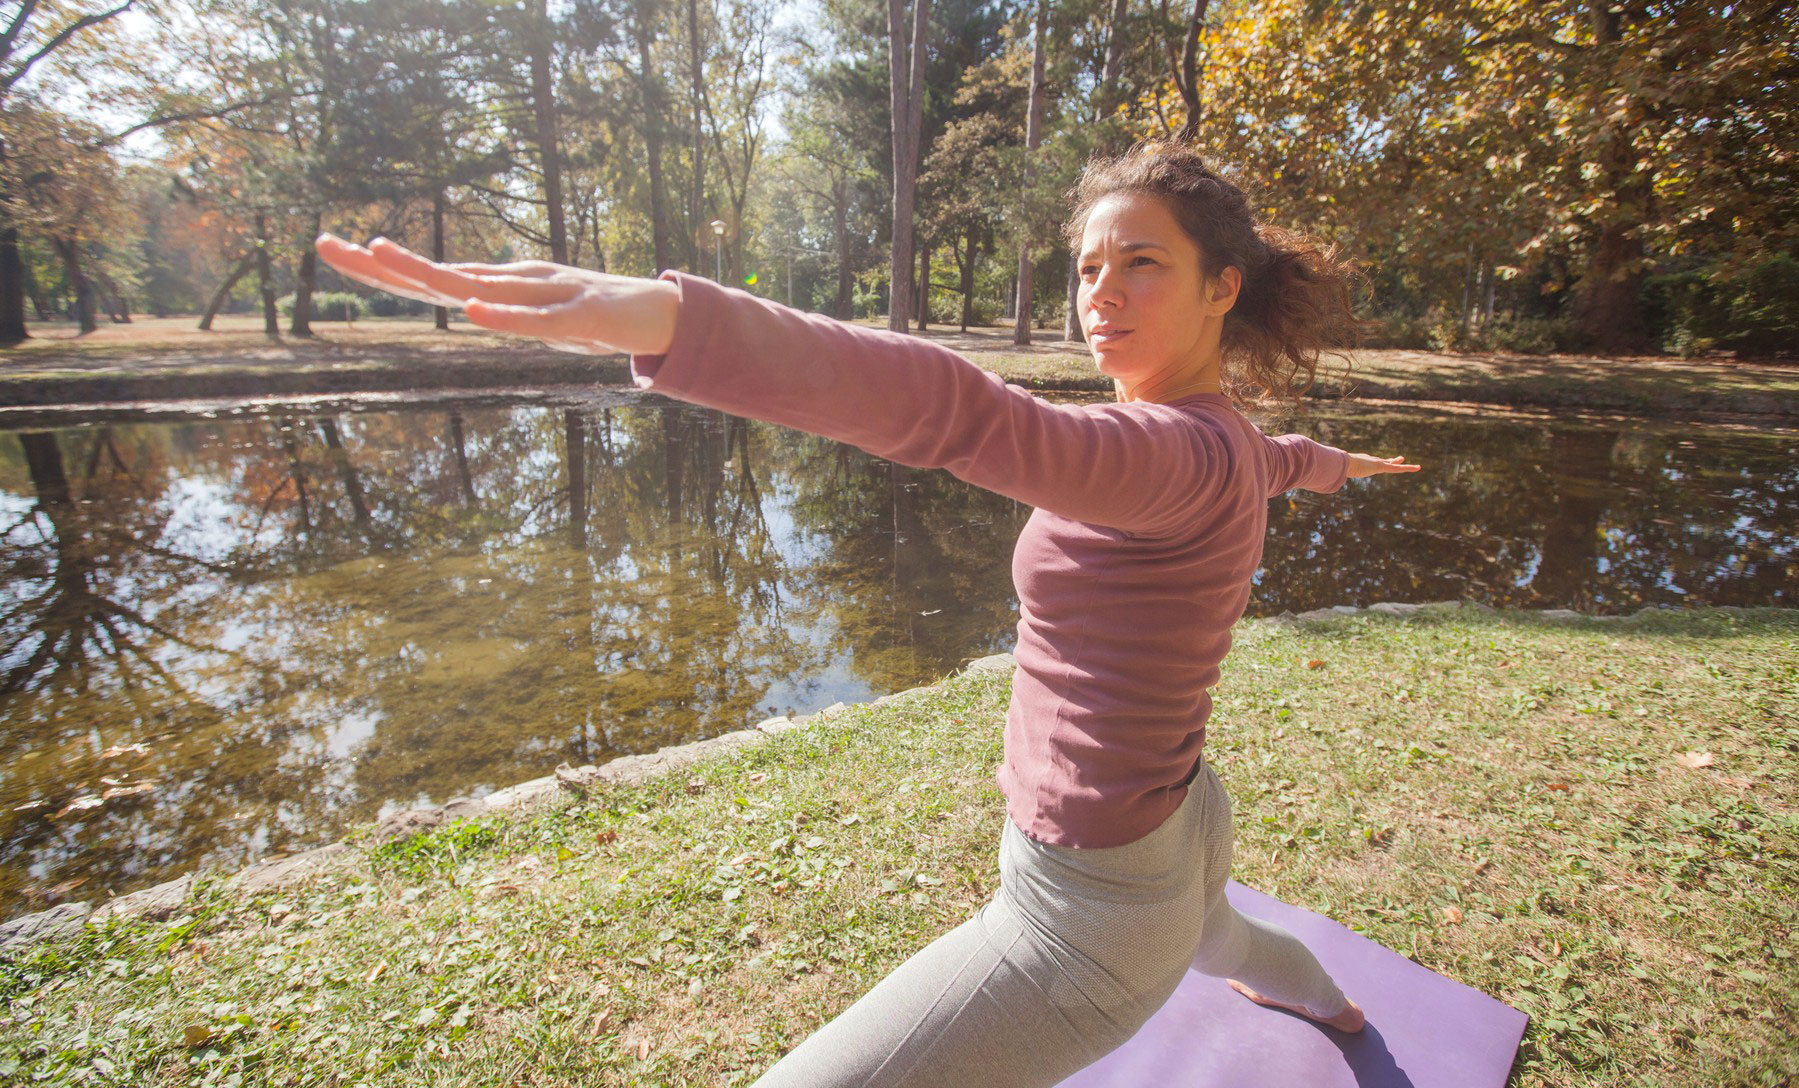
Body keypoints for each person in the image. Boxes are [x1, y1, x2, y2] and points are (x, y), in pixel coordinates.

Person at [317, 142, 1421, 1088]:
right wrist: (1343, 465)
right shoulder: (1228, 440)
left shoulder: (1159, 455)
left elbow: (959, 413)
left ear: (1223, 287)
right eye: (1089, 268)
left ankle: (1327, 1009)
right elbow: (1284, 460)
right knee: (1219, 933)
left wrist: (677, 319)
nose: (1103, 296)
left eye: (1143, 265)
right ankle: (1339, 1014)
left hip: (1084, 916)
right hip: (1183, 824)